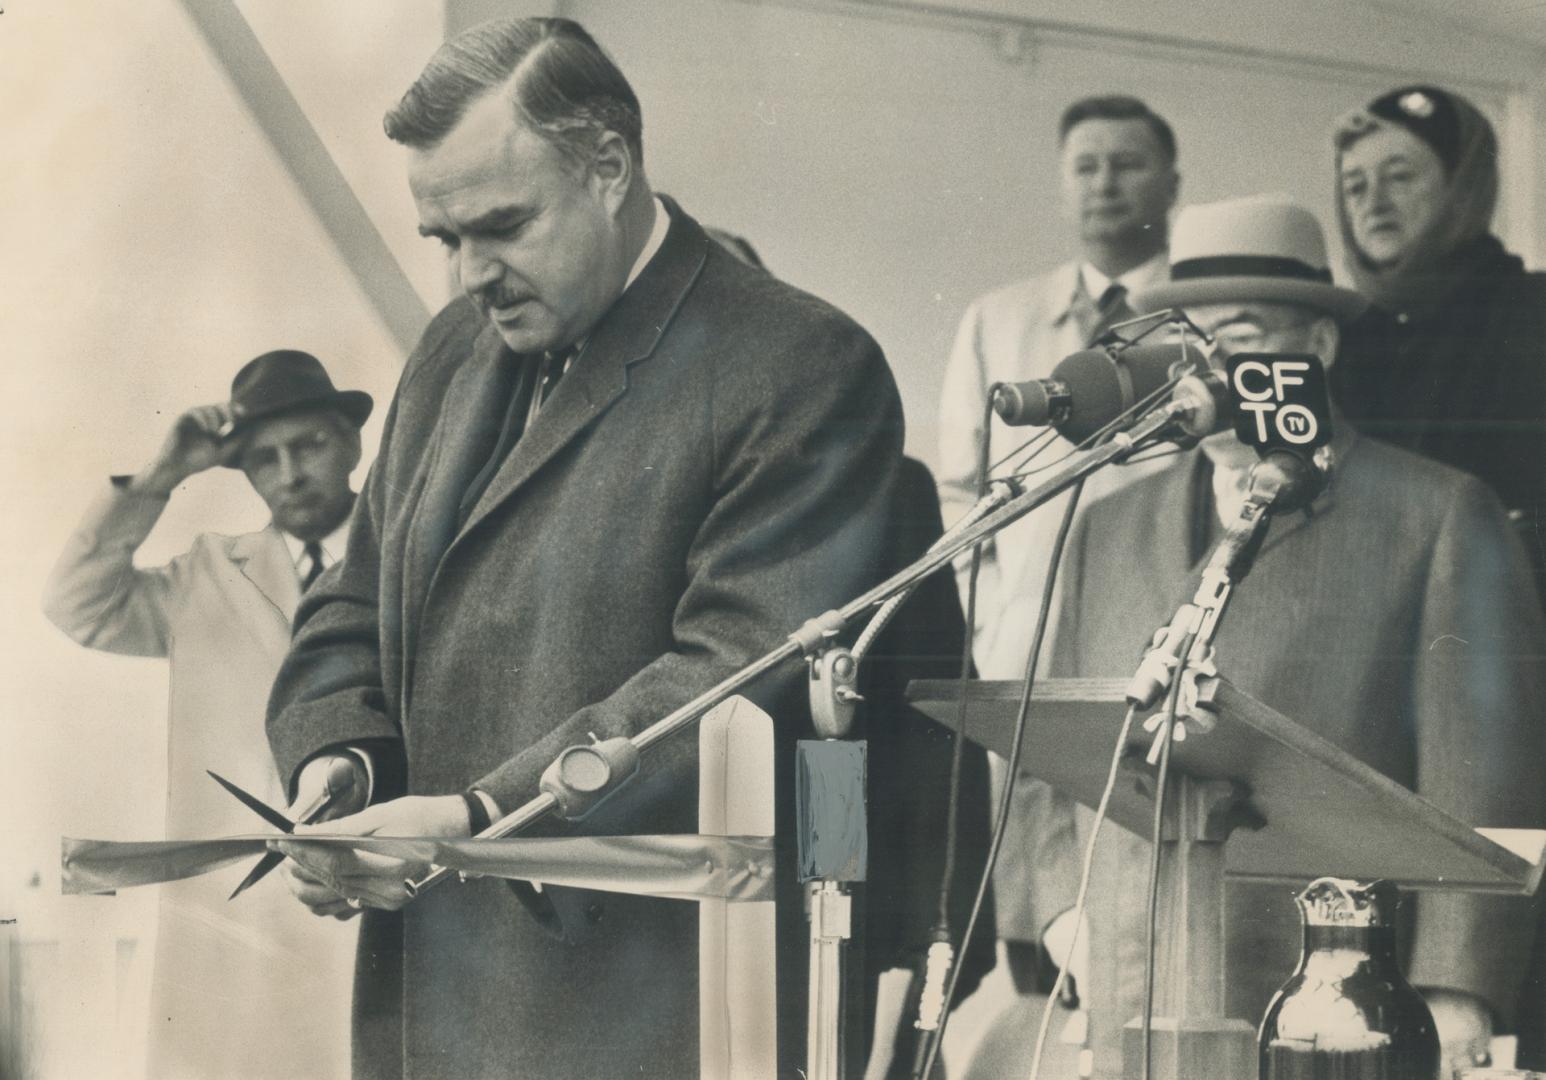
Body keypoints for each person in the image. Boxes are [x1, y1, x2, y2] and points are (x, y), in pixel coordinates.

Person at [263, 17, 985, 1079]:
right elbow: (349, 605)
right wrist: (340, 763)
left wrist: (481, 816)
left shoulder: (795, 363)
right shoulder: (451, 353)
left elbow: (737, 671)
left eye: (501, 226)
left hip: (650, 1007)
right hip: (434, 997)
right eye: (443, 238)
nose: (470, 272)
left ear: (607, 167)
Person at [966, 195, 1545, 1079]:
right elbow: (1051, 740)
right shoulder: (1107, 522)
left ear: (1318, 348)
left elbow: (1487, 777)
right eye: (1185, 341)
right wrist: (1056, 915)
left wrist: (1457, 991)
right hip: (1127, 987)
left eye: (1236, 337)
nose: (1203, 369)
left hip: (1339, 1013)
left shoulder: (1434, 516)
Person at [42, 349, 370, 1079]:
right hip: (237, 920)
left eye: (310, 445)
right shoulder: (209, 570)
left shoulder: (402, 561)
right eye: (264, 458)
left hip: (362, 892)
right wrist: (160, 477)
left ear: (350, 441)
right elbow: (76, 605)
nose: (289, 474)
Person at [936, 94, 1181, 1002]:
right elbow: (959, 491)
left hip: (1149, 651)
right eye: (1086, 165)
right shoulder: (998, 321)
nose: (1106, 183)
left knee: (1140, 903)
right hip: (1026, 655)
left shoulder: (1192, 324)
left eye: (1128, 163)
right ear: (1063, 185)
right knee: (1035, 922)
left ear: (1172, 183)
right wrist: (991, 617)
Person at [1331, 84, 1546, 602]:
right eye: (1355, 187)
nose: (1373, 202)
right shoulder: (1339, 335)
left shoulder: (1534, 313)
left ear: (1463, 186)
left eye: (1400, 176)